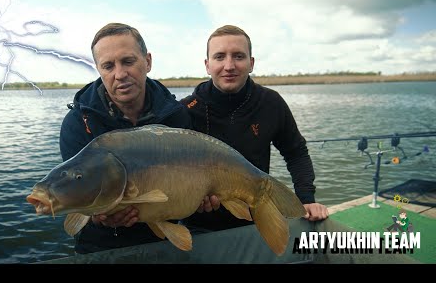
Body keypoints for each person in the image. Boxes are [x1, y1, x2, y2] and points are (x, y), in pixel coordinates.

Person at [180, 24, 329, 232]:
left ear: (251, 63)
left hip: (256, 220)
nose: (229, 66)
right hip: (198, 225)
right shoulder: (185, 110)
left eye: (239, 56)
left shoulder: (271, 102)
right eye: (220, 57)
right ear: (207, 65)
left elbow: (296, 153)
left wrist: (307, 199)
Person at [59, 22, 192, 254]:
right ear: (99, 70)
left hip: (162, 243)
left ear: (147, 62)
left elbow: (186, 186)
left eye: (128, 61)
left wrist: (198, 199)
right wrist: (99, 217)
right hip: (99, 247)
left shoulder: (176, 115)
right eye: (108, 66)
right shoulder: (78, 123)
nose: (120, 74)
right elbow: (77, 194)